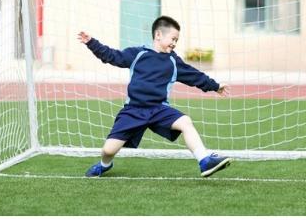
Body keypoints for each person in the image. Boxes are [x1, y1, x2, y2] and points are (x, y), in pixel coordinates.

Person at [78, 15, 232, 178]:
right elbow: (112, 56)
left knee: (185, 122)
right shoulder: (137, 54)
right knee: (108, 150)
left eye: (176, 40)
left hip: (159, 109)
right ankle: (105, 165)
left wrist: (215, 86)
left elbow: (194, 75)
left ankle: (204, 160)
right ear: (158, 35)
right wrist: (91, 43)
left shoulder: (173, 61)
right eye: (173, 38)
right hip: (133, 110)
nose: (174, 43)